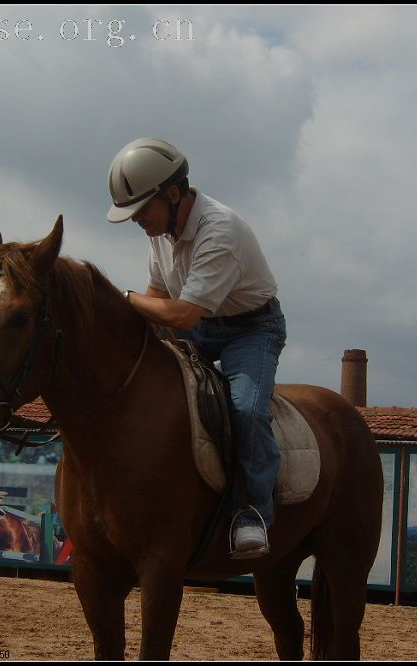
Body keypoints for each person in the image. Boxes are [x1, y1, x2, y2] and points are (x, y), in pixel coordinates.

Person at [107, 138, 287, 559]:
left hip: (251, 330)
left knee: (245, 409)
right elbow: (157, 293)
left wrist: (122, 298)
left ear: (173, 194)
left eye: (140, 211)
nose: (136, 221)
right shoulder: (160, 228)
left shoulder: (218, 230)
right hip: (199, 321)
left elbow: (183, 314)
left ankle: (253, 514)